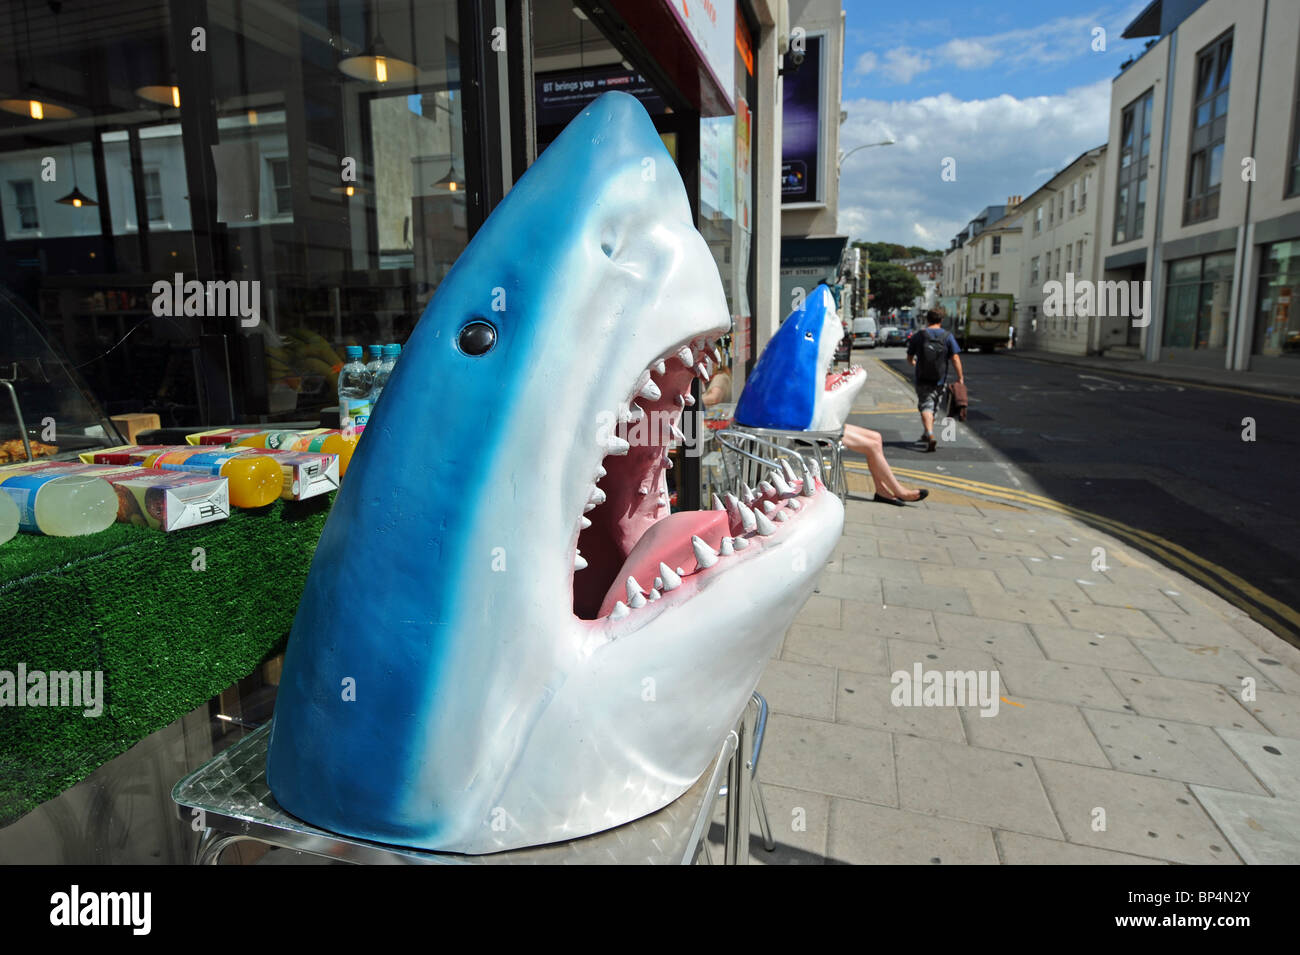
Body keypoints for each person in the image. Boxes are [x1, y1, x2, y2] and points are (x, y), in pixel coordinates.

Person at [906, 310, 963, 453]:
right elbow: (955, 358)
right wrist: (960, 377)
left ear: (927, 320)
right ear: (941, 320)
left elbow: (909, 357)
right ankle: (928, 432)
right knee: (934, 406)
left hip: (923, 378)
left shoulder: (919, 336)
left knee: (926, 406)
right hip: (940, 379)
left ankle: (929, 434)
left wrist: (914, 364)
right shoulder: (947, 336)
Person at [841, 424, 929, 505]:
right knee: (872, 446)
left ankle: (881, 490)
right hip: (828, 430)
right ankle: (900, 491)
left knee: (876, 437)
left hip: (831, 423)